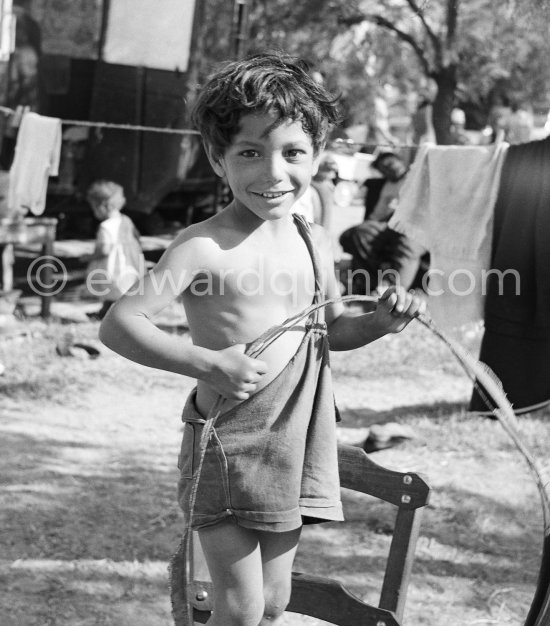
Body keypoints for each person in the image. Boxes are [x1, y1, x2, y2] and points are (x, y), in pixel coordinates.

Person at [98, 52, 426, 626]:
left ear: (319, 156)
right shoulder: (204, 246)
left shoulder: (315, 240)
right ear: (217, 159)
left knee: (273, 601)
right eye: (250, 152)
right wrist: (207, 363)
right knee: (242, 609)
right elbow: (119, 324)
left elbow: (333, 331)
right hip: (231, 441)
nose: (273, 173)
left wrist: (378, 323)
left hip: (299, 437)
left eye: (293, 152)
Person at [339, 151, 428, 295]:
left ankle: (393, 293)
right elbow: (377, 214)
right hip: (392, 224)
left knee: (407, 245)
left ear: (401, 161)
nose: (390, 168)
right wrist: (369, 225)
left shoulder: (418, 175)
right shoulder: (387, 186)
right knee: (359, 233)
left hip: (419, 224)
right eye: (384, 168)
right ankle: (368, 285)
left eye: (391, 163)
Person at [85, 180, 145, 320]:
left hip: (113, 266)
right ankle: (106, 312)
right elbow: (136, 237)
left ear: (102, 206)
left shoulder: (105, 227)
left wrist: (89, 257)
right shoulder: (126, 220)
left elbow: (105, 249)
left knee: (113, 290)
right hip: (129, 263)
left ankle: (115, 316)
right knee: (122, 291)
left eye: (94, 208)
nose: (94, 212)